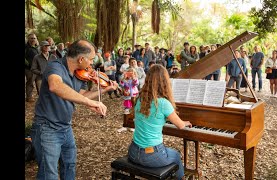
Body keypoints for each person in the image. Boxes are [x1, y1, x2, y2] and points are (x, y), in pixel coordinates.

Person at [30, 39, 118, 180]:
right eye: (90, 59)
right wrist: (90, 103)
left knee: (69, 165)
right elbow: (56, 86)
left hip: (66, 127)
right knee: (49, 174)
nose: (91, 64)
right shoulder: (55, 66)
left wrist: (106, 88)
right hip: (47, 128)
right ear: (81, 59)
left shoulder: (79, 73)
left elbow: (81, 95)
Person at [127, 64, 192, 180]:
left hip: (133, 151)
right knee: (176, 156)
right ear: (164, 81)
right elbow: (180, 125)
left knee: (170, 153)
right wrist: (186, 122)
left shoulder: (140, 98)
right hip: (151, 156)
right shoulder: (163, 103)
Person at [25, 33, 40, 102]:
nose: (33, 39)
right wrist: (28, 64)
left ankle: (41, 97)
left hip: (38, 69)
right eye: (31, 38)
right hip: (29, 69)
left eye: (34, 38)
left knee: (39, 82)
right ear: (28, 39)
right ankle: (29, 97)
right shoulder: (26, 47)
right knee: (30, 82)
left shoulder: (37, 48)